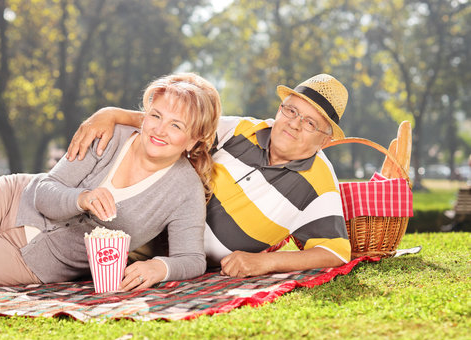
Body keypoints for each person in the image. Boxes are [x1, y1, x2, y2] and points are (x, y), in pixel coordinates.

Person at [0, 72, 221, 290]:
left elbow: (191, 257)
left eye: (176, 125)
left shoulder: (185, 190)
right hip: (10, 199)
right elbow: (44, 190)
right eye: (155, 115)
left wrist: (160, 267)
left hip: (30, 262)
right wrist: (81, 198)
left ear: (194, 139)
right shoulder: (110, 135)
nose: (159, 129)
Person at [67, 73, 351, 277]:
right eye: (290, 110)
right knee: (60, 233)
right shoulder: (241, 130)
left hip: (182, 260)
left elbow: (336, 253)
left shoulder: (318, 181)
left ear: (325, 140)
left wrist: (263, 263)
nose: (294, 124)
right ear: (280, 109)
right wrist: (112, 114)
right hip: (140, 221)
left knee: (73, 257)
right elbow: (178, 126)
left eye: (310, 122)